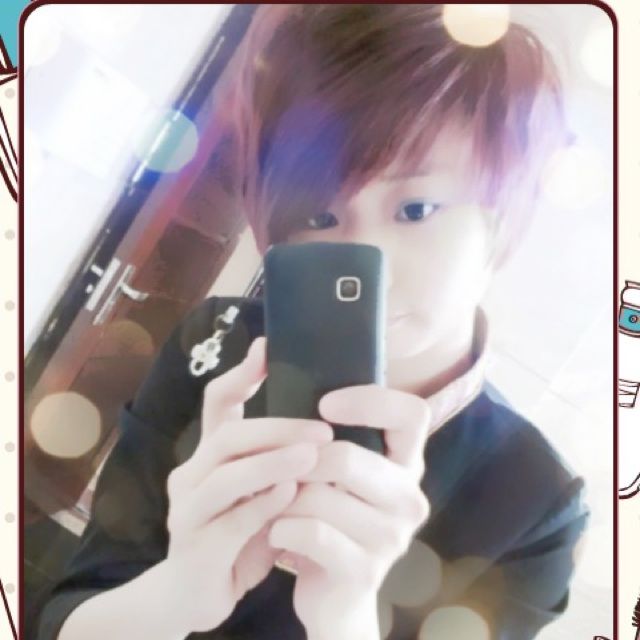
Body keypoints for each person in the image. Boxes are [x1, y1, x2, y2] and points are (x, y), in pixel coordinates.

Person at [36, 5, 589, 640]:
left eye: (417, 208)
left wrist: (345, 620)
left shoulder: (536, 502)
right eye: (320, 217)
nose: (369, 263)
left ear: (501, 219)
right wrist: (178, 594)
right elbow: (66, 616)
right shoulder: (217, 348)